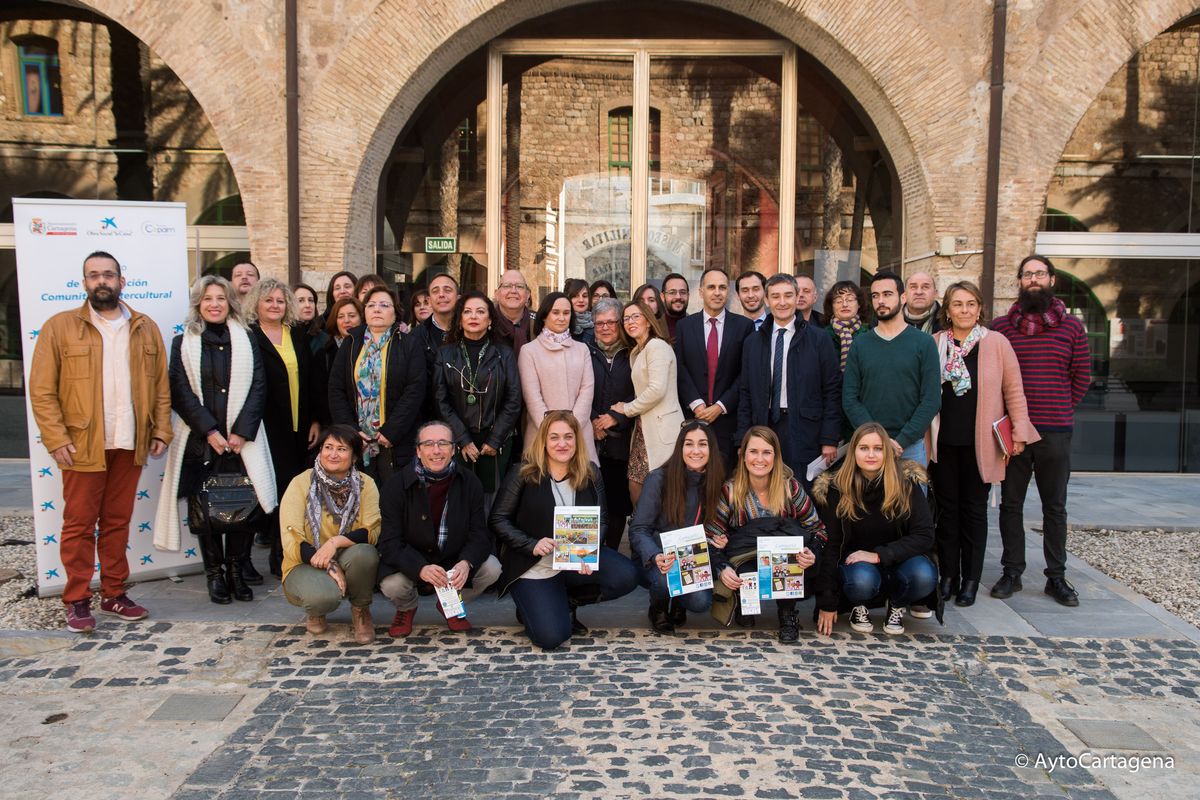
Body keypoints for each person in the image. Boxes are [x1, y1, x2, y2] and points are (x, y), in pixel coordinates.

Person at [29, 251, 172, 632]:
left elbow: (160, 386)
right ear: (84, 283)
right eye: (94, 276)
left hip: (130, 441)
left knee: (116, 522)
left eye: (108, 275)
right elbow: (42, 391)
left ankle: (113, 593)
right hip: (81, 444)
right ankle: (76, 599)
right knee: (78, 523)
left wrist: (161, 429)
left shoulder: (145, 327)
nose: (101, 281)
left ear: (122, 282)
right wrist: (56, 437)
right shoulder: (59, 327)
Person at [154, 275, 275, 605]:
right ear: (198, 304)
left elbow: (258, 388)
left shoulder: (247, 339)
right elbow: (179, 391)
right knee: (205, 511)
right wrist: (210, 431)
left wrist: (239, 433)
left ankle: (237, 571)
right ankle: (215, 574)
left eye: (221, 297)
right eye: (208, 298)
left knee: (242, 505)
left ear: (230, 302)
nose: (215, 303)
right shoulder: (184, 343)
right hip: (200, 439)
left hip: (241, 441)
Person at [929, 281, 1039, 607]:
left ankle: (970, 581)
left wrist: (1019, 433)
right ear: (947, 310)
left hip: (982, 444)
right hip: (943, 442)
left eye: (970, 304)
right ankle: (947, 576)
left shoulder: (997, 344)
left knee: (974, 512)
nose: (964, 310)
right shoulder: (935, 344)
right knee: (947, 513)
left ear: (979, 308)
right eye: (957, 304)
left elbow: (1014, 392)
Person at [489, 411, 639, 650]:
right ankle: (532, 606)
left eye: (568, 437)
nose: (562, 444)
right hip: (534, 565)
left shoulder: (590, 472)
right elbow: (498, 519)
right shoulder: (523, 472)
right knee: (551, 637)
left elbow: (601, 519)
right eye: (555, 437)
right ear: (544, 441)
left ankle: (567, 601)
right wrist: (532, 544)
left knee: (627, 574)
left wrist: (588, 550)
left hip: (574, 560)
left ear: (577, 440)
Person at [990, 255, 1091, 607]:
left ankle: (1056, 577)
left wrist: (1058, 407)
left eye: (1040, 273)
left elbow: (1081, 378)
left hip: (1055, 431)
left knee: (1055, 507)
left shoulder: (1072, 328)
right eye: (1027, 273)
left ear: (1051, 280)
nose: (1034, 278)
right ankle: (1012, 572)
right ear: (1019, 280)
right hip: (1014, 433)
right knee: (1010, 505)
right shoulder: (1001, 328)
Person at [812, 423, 939, 635]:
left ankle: (896, 603)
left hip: (900, 559)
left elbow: (924, 535)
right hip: (857, 566)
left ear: (887, 452)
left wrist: (879, 555)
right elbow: (830, 545)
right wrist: (827, 601)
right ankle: (858, 605)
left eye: (878, 449)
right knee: (862, 581)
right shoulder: (836, 487)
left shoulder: (906, 482)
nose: (871, 454)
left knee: (924, 575)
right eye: (864, 448)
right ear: (853, 451)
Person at [377, 421, 503, 636]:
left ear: (453, 449)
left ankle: (450, 602)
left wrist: (466, 562)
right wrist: (420, 568)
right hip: (412, 561)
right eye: (428, 444)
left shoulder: (470, 482)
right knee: (392, 585)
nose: (436, 450)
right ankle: (406, 607)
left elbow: (479, 533)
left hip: (452, 559)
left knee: (492, 568)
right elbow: (389, 542)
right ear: (418, 450)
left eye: (443, 443)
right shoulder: (395, 485)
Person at [706, 426, 827, 643]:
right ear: (742, 455)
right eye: (753, 452)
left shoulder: (790, 488)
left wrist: (812, 552)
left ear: (776, 456)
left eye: (766, 452)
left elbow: (817, 529)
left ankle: (787, 614)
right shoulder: (730, 491)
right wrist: (722, 567)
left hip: (784, 564)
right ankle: (744, 602)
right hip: (746, 561)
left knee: (790, 558)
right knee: (743, 567)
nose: (759, 459)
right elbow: (712, 535)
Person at [278, 424, 381, 643]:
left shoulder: (366, 484)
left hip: (346, 555)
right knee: (322, 598)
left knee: (365, 554)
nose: (333, 454)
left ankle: (361, 611)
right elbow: (291, 538)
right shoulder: (300, 483)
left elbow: (372, 531)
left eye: (342, 449)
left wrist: (334, 543)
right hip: (303, 562)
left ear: (354, 457)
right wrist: (328, 563)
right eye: (328, 447)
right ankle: (317, 610)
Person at [246, 278, 320, 578]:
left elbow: (312, 378)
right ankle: (247, 560)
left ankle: (283, 554)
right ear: (257, 304)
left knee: (293, 494)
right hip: (263, 428)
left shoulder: (297, 334)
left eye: (279, 300)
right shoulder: (248, 336)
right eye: (268, 300)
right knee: (264, 492)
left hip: (299, 428)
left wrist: (316, 419)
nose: (274, 305)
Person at [737, 274, 840, 488]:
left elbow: (832, 390)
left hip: (805, 430)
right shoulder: (753, 342)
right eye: (775, 296)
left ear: (796, 297)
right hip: (764, 425)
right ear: (767, 300)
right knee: (765, 490)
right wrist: (742, 439)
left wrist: (829, 438)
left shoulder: (819, 339)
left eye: (788, 295)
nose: (782, 302)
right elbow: (745, 393)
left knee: (801, 491)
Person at [629, 421, 725, 633]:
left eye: (702, 444)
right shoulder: (658, 478)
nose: (696, 451)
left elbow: (713, 526)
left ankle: (680, 601)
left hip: (692, 559)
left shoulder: (715, 482)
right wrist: (655, 555)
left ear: (711, 449)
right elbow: (638, 529)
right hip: (657, 555)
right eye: (689, 444)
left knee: (700, 602)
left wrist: (717, 539)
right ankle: (659, 607)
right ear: (680, 448)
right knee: (664, 580)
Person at [329, 285, 426, 485]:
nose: (377, 309)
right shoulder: (352, 343)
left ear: (395, 312)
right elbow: (336, 389)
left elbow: (415, 389)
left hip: (394, 440)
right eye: (371, 305)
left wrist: (392, 431)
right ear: (364, 312)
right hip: (358, 440)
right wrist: (352, 431)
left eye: (384, 305)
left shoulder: (408, 343)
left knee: (394, 500)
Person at [843, 271, 941, 466]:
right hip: (869, 446)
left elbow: (931, 400)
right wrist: (877, 439)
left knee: (911, 498)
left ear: (903, 297)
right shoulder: (860, 344)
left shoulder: (924, 343)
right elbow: (850, 398)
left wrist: (901, 440)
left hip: (909, 448)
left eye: (887, 294)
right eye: (875, 295)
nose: (880, 300)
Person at [433, 292, 522, 498]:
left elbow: (513, 399)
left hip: (496, 441)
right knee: (459, 497)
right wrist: (462, 439)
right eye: (467, 312)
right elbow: (440, 400)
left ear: (490, 320)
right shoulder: (445, 354)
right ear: (460, 319)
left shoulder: (504, 354)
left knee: (492, 501)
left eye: (480, 312)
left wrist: (495, 439)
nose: (473, 316)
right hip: (458, 438)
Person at [674, 267, 753, 465]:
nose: (717, 292)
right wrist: (696, 403)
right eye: (711, 287)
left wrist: (720, 406)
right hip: (692, 418)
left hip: (728, 421)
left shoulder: (744, 326)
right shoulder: (684, 326)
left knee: (724, 482)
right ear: (701, 292)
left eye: (722, 287)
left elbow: (746, 372)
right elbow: (680, 368)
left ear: (728, 292)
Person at [613, 300, 684, 505]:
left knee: (661, 489)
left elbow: (657, 390)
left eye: (636, 316)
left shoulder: (657, 346)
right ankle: (642, 529)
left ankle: (653, 532)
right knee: (636, 483)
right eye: (626, 318)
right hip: (644, 430)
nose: (630, 321)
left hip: (663, 430)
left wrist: (627, 409)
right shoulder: (638, 351)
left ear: (649, 321)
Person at [518, 291, 597, 462]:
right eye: (555, 312)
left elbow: (587, 390)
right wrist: (552, 432)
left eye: (566, 313)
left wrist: (572, 429)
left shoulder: (582, 349)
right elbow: (532, 396)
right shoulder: (529, 351)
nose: (562, 318)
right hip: (541, 435)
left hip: (579, 433)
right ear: (544, 316)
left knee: (581, 484)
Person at [587, 298, 635, 550]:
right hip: (590, 440)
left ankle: (610, 556)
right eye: (599, 323)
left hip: (621, 442)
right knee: (589, 503)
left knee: (617, 505)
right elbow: (577, 389)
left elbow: (643, 392)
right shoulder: (584, 350)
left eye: (611, 322)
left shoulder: (634, 352)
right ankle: (586, 561)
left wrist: (617, 417)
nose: (605, 328)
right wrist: (594, 418)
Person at [312, 297, 362, 429]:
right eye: (340, 316)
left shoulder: (372, 351)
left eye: (352, 315)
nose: (346, 321)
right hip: (335, 427)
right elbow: (319, 395)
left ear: (362, 318)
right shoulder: (324, 354)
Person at [417, 273, 461, 418]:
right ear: (429, 301)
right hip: (428, 417)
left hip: (466, 418)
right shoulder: (416, 337)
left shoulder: (472, 332)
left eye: (447, 290)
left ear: (459, 298)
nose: (441, 295)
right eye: (435, 291)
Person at [823, 281, 871, 373]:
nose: (844, 304)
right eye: (838, 301)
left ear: (859, 304)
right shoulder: (822, 336)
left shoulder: (869, 335)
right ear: (831, 306)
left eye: (849, 300)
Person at [493, 269, 535, 354]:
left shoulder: (540, 323)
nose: (513, 291)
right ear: (497, 294)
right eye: (507, 286)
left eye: (519, 286)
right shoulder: (487, 323)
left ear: (527, 295)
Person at [564, 277, 594, 344]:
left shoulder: (597, 324)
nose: (581, 300)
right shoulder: (561, 324)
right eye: (575, 296)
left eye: (585, 296)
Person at [661, 272, 690, 339]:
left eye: (682, 292)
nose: (678, 297)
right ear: (662, 297)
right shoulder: (654, 329)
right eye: (672, 292)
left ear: (688, 296)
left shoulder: (698, 327)